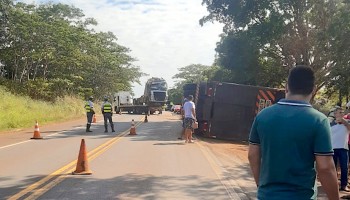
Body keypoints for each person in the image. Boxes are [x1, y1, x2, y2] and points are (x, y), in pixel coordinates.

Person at [248, 65, 339, 200]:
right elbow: (325, 168)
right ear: (313, 90)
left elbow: (252, 155)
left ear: (286, 87)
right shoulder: (318, 121)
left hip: (267, 195)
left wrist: (262, 187)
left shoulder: (263, 116)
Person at [329, 106, 350, 191]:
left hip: (343, 148)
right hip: (332, 148)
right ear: (335, 114)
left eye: (343, 112)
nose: (342, 114)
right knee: (332, 168)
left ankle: (344, 185)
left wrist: (344, 122)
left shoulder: (347, 122)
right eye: (340, 112)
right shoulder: (330, 123)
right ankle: (333, 184)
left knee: (344, 168)